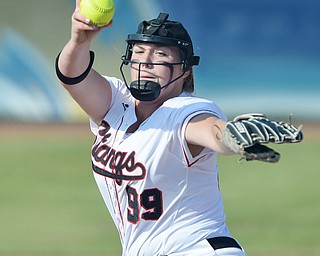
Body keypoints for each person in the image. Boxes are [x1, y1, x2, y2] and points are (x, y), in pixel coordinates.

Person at [55, 2, 302, 255]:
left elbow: (211, 131)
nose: (146, 62)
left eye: (161, 55)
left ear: (184, 70)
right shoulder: (115, 103)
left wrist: (229, 136)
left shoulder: (184, 111)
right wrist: (79, 41)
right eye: (139, 51)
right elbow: (72, 75)